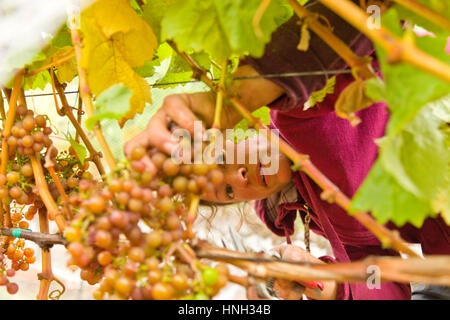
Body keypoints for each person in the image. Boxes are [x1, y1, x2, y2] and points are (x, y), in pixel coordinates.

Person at [124, 1, 450, 300]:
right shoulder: (315, 214)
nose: (238, 178)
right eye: (227, 191)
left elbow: (353, 22)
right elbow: (377, 276)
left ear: (235, 133)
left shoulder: (300, 113)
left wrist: (242, 96)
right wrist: (329, 284)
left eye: (221, 159)